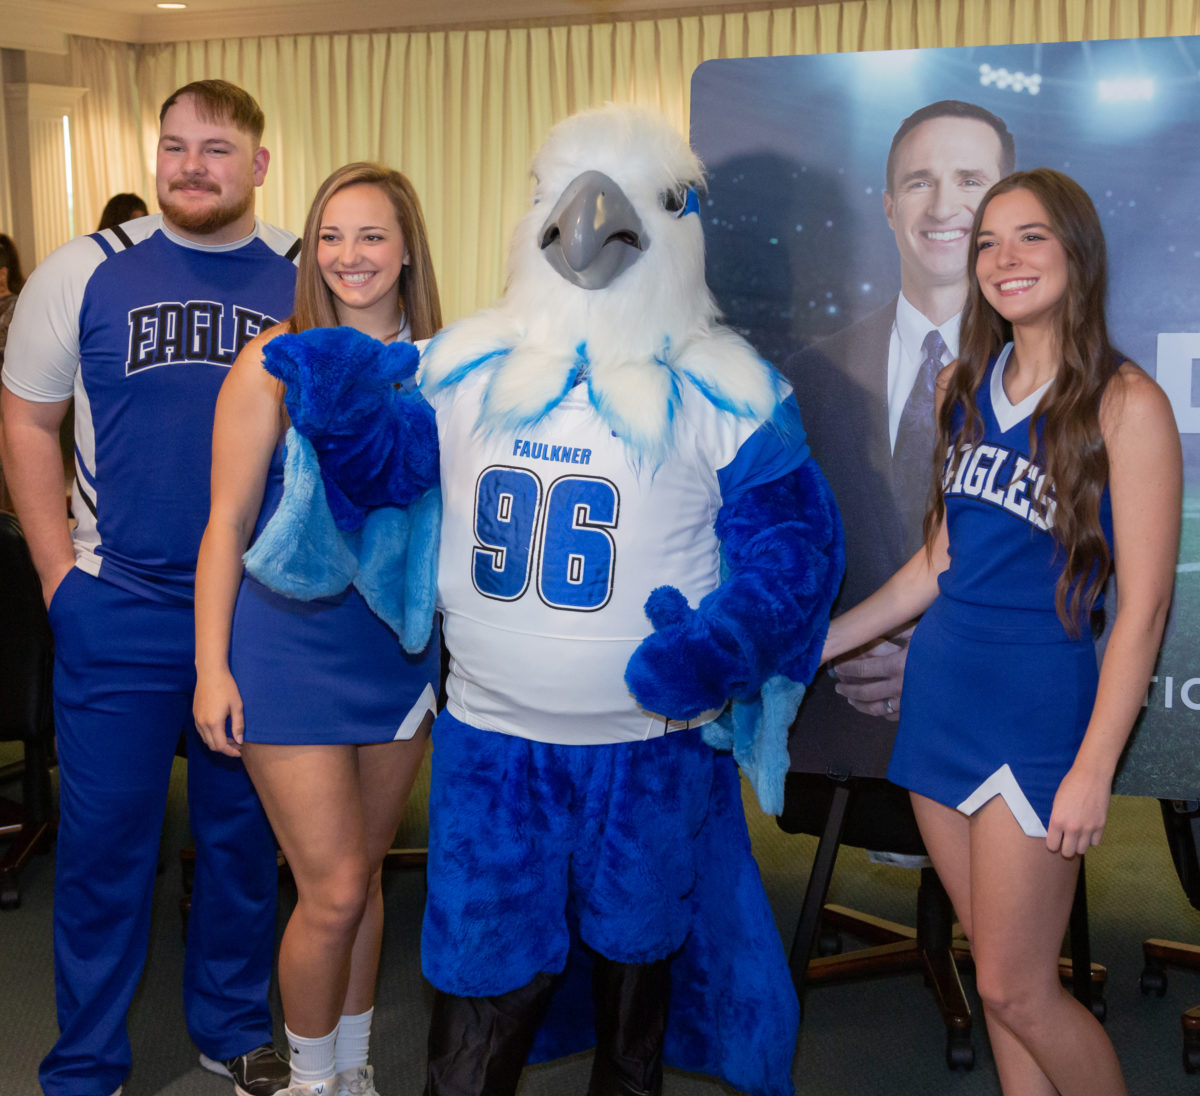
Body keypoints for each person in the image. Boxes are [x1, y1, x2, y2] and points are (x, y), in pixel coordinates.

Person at [822, 168, 1181, 1095]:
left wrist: (1095, 766)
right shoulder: (964, 385)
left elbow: (1143, 608)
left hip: (1036, 717)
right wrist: (816, 643)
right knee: (996, 973)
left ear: (1077, 253)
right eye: (988, 242)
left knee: (1023, 990)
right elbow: (935, 565)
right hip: (942, 703)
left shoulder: (1129, 405)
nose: (1004, 260)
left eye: (1031, 238)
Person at [0, 79, 298, 1096]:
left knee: (241, 840)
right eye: (174, 146)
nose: (190, 166)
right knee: (103, 851)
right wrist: (55, 577)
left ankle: (230, 1023)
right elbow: (28, 419)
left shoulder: (308, 274)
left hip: (259, 619)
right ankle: (85, 1059)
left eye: (217, 149)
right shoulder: (81, 271)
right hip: (116, 607)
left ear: (258, 163)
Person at [193, 162, 443, 1096]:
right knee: (330, 889)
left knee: (366, 880)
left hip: (399, 655)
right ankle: (306, 1083)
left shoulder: (445, 365)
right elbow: (223, 525)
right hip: (285, 651)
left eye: (372, 236)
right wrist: (210, 667)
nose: (350, 257)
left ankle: (355, 1069)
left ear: (408, 246)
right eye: (332, 236)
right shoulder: (273, 360)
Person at [784, 100, 1014, 747]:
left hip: (996, 732)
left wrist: (945, 657)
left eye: (970, 180)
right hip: (836, 734)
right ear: (889, 206)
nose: (943, 206)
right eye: (921, 182)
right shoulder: (809, 375)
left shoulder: (1055, 379)